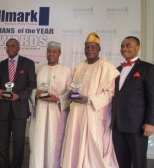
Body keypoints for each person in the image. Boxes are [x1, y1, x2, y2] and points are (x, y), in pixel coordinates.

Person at [60, 32, 119, 168]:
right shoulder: (80, 66)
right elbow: (70, 87)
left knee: (91, 147)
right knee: (74, 143)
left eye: (93, 47)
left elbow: (109, 93)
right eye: (87, 47)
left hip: (93, 113)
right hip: (76, 113)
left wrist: (89, 99)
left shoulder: (105, 66)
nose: (89, 50)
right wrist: (69, 94)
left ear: (99, 49)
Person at [111, 36, 154, 168]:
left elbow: (152, 97)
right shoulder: (116, 70)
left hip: (137, 126)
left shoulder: (148, 68)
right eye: (122, 46)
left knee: (138, 163)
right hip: (117, 126)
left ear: (137, 48)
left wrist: (150, 122)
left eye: (128, 45)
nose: (124, 49)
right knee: (121, 162)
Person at [0, 38, 36, 168]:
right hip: (2, 110)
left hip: (19, 110)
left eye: (13, 46)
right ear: (6, 48)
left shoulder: (28, 63)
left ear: (18, 48)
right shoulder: (0, 65)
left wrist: (19, 96)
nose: (10, 48)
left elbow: (32, 84)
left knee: (18, 144)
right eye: (8, 46)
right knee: (1, 143)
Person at [29, 41, 71, 168]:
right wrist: (35, 93)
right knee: (39, 143)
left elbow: (70, 93)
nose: (50, 54)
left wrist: (58, 99)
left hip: (56, 115)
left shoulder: (66, 70)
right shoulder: (40, 69)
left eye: (54, 51)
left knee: (54, 144)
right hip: (40, 113)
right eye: (48, 51)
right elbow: (33, 89)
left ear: (59, 53)